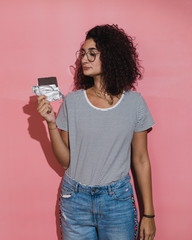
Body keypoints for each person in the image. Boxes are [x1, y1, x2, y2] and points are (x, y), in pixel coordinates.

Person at [37, 24, 156, 240]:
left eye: (92, 54)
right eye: (82, 53)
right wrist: (51, 124)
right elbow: (66, 162)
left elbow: (140, 160)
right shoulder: (72, 102)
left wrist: (149, 213)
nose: (84, 59)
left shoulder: (134, 103)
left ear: (111, 56)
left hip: (117, 201)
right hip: (75, 199)